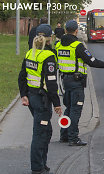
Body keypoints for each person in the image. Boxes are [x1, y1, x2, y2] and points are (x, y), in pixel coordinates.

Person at [55, 20, 104, 146]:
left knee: (69, 108)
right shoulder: (77, 46)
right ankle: (73, 138)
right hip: (76, 82)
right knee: (75, 111)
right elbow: (92, 61)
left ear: (66, 30)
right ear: (76, 31)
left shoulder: (58, 45)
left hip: (65, 81)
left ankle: (64, 135)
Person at [18, 24, 62, 174]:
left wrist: (23, 95)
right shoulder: (48, 56)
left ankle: (42, 163)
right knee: (40, 133)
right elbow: (51, 84)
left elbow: (21, 77)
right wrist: (57, 104)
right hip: (42, 101)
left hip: (32, 98)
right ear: (50, 38)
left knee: (46, 130)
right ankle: (37, 168)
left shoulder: (30, 53)